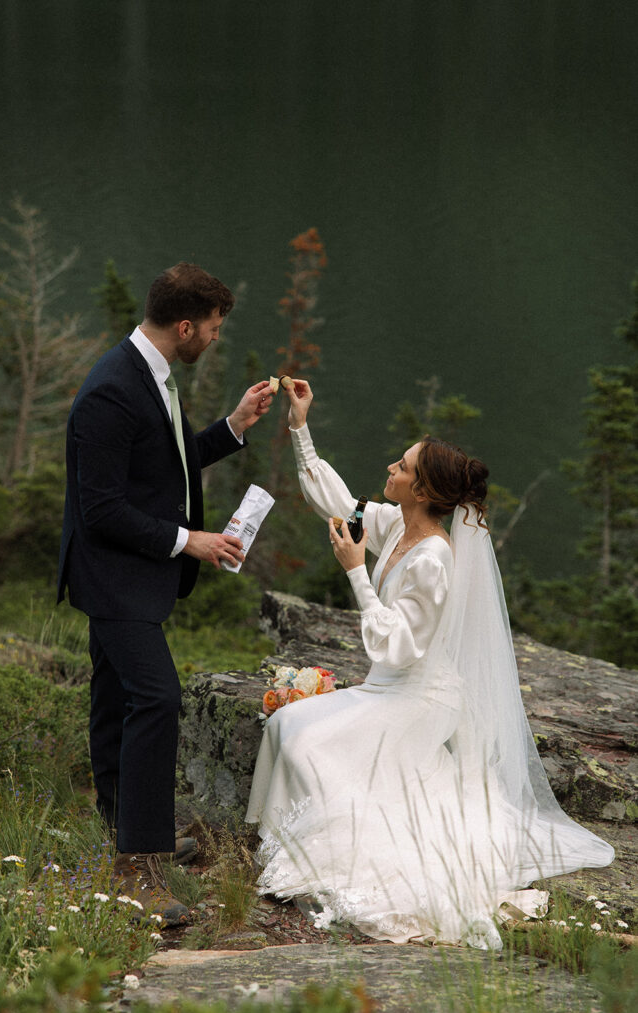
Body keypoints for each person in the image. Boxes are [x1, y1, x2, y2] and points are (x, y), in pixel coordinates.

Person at [246, 380, 614, 949]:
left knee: (308, 745)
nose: (390, 466)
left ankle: (337, 848)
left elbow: (398, 647)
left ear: (421, 490)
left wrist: (354, 572)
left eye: (403, 465)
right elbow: (338, 502)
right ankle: (290, 839)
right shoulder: (395, 525)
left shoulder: (434, 559)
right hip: (385, 689)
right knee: (285, 725)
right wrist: (299, 427)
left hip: (419, 698)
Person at [58, 262, 274, 924]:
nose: (213, 338)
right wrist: (191, 542)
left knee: (116, 701)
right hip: (113, 575)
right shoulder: (110, 392)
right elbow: (101, 510)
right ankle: (136, 871)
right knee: (156, 699)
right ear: (185, 325)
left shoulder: (152, 374)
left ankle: (130, 835)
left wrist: (232, 426)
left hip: (132, 575)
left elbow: (165, 467)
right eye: (211, 329)